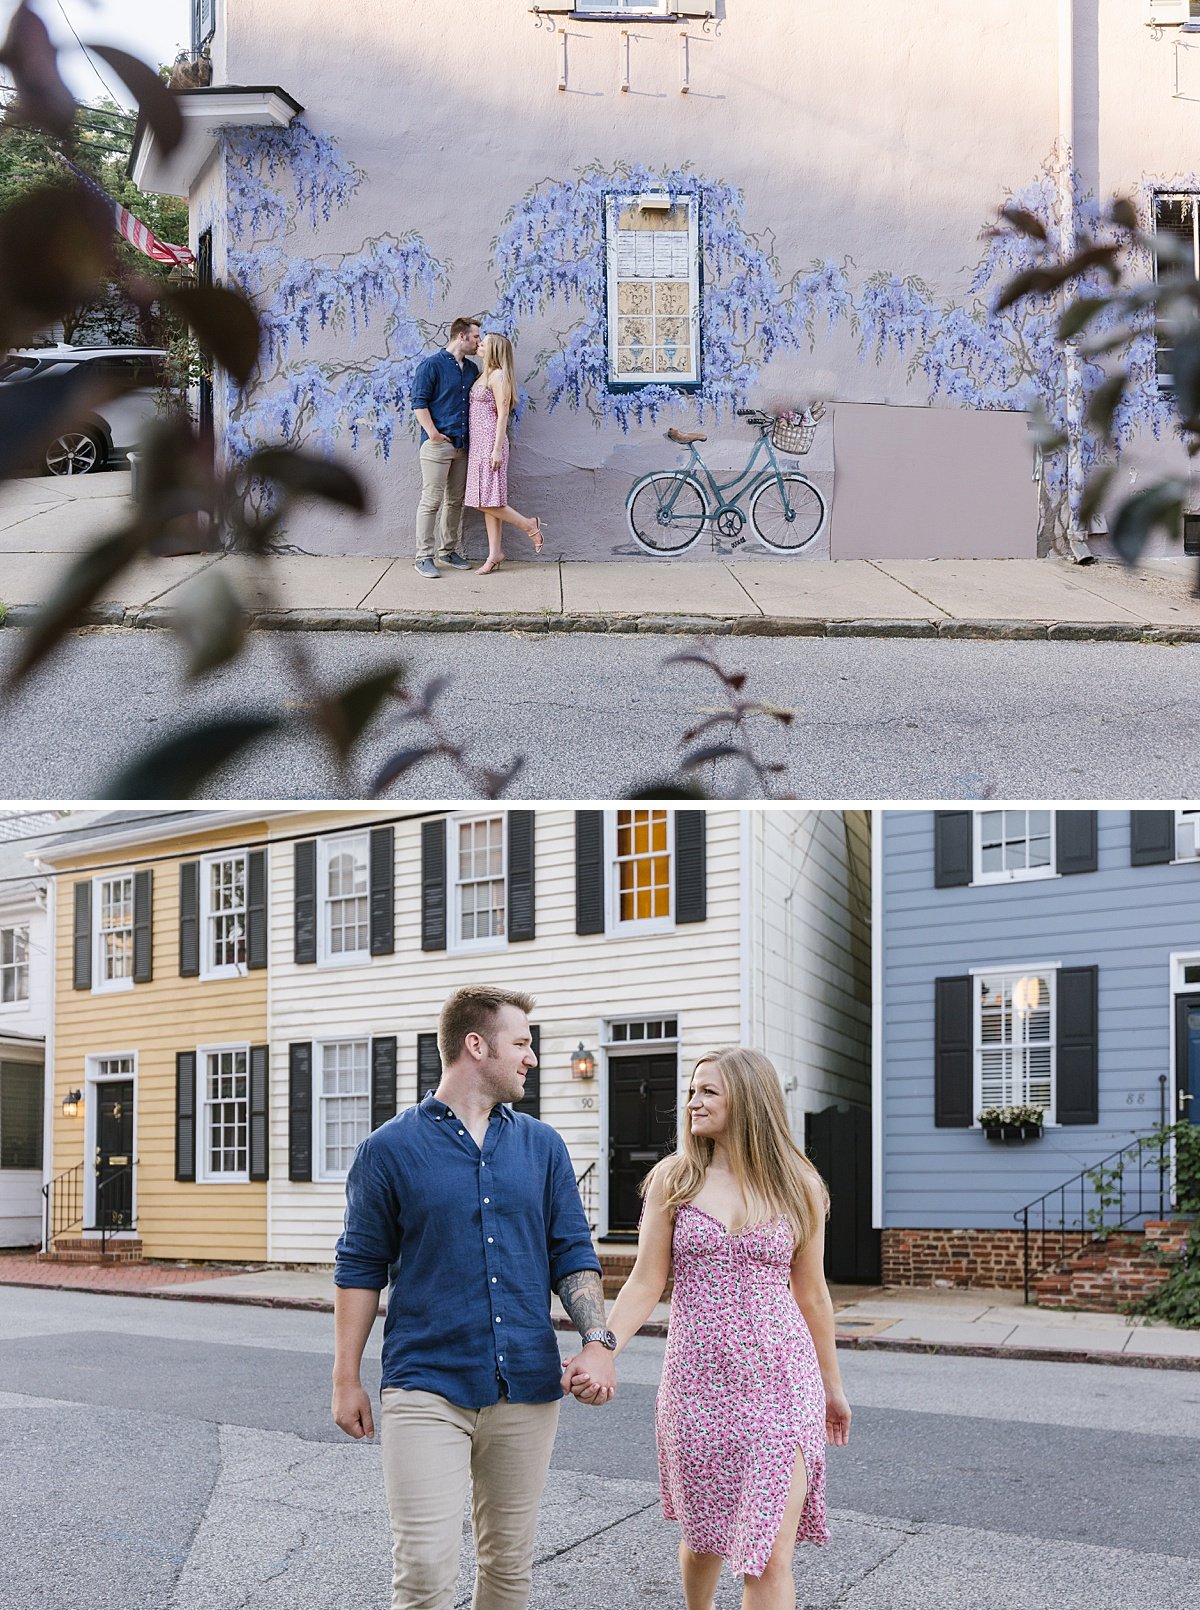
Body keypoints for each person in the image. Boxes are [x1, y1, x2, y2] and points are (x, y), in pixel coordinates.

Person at [331, 985, 612, 1610]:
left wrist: (597, 1341)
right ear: (475, 1045)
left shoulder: (544, 1147)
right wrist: (345, 1377)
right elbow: (359, 1268)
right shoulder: (388, 1150)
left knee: (509, 1567)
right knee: (425, 1573)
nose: (531, 1058)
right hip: (426, 1382)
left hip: (528, 1386)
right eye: (521, 1043)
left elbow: (573, 1253)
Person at [561, 1047, 852, 1610]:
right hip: (697, 1386)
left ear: (748, 1098)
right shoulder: (675, 1178)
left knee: (768, 1554)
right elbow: (646, 1282)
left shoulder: (801, 1185)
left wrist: (832, 1386)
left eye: (708, 1091)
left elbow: (812, 1293)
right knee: (704, 1541)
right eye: (692, 1091)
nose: (692, 1102)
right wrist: (602, 1347)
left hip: (782, 1389)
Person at [463, 332, 544, 574]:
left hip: (490, 443)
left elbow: (503, 414)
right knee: (490, 500)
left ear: (494, 350)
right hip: (479, 444)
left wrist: (497, 449)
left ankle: (529, 525)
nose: (479, 344)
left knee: (482, 500)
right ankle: (495, 553)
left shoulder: (498, 376)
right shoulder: (483, 375)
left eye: (484, 343)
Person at [411, 317, 482, 578]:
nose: (479, 342)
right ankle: (423, 556)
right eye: (476, 337)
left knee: (455, 501)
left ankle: (448, 550)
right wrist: (433, 434)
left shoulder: (472, 370)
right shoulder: (432, 365)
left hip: (463, 447)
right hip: (438, 446)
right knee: (431, 500)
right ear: (461, 336)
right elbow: (419, 403)